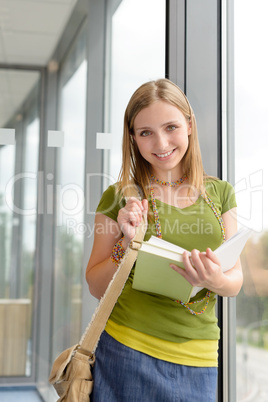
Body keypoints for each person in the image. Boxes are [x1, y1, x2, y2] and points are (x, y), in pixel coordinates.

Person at [86, 78, 243, 402]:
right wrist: (127, 244)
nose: (161, 143)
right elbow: (96, 285)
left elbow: (235, 281)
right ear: (133, 138)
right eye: (146, 133)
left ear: (189, 125)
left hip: (199, 359)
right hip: (127, 350)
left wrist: (214, 279)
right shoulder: (120, 197)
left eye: (170, 127)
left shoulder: (221, 193)